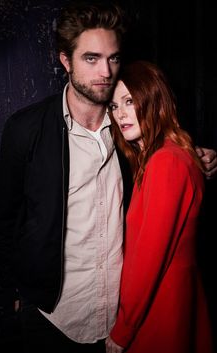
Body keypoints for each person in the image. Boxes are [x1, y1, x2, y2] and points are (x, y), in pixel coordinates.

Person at [0, 1, 216, 352]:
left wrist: (196, 155)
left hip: (120, 317)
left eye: (113, 58)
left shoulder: (129, 133)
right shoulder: (26, 129)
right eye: (91, 58)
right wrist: (15, 295)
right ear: (65, 60)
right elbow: (5, 219)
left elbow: (164, 166)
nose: (106, 71)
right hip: (52, 316)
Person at [105, 60, 214, 353]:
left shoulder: (166, 161)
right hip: (167, 300)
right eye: (114, 106)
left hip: (161, 306)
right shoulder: (164, 156)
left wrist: (123, 329)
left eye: (129, 101)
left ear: (153, 99)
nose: (121, 114)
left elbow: (149, 257)